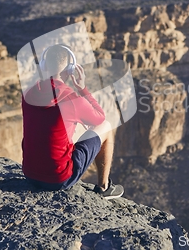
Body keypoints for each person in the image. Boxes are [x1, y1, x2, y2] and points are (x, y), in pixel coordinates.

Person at [21, 45, 124, 199]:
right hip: (58, 179)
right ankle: (104, 188)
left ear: (44, 66)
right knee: (106, 126)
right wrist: (83, 89)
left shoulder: (28, 93)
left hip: (29, 174)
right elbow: (100, 118)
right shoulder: (71, 99)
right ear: (70, 70)